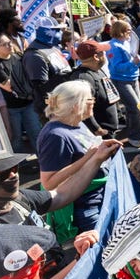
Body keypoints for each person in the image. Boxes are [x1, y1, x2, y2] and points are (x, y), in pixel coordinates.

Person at [36, 81, 115, 235]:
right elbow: (49, 183)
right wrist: (88, 158)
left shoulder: (77, 123)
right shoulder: (55, 136)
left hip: (101, 199)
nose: (93, 102)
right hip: (86, 207)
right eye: (90, 99)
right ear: (76, 105)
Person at [0, 30, 41, 154]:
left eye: (9, 42)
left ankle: (43, 160)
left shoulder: (18, 57)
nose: (10, 45)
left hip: (28, 104)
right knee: (15, 139)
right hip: (10, 109)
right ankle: (18, 164)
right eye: (4, 44)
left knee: (36, 134)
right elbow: (10, 86)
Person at [107, 19, 140, 146]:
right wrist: (134, 62)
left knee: (135, 109)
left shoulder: (126, 42)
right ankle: (135, 136)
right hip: (121, 81)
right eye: (128, 30)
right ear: (121, 31)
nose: (131, 33)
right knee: (136, 108)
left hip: (133, 78)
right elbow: (117, 68)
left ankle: (135, 134)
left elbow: (134, 61)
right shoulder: (113, 46)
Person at [72, 40, 122, 139]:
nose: (105, 55)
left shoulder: (97, 70)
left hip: (109, 132)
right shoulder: (83, 78)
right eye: (102, 52)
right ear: (96, 57)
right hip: (98, 137)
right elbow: (82, 108)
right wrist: (97, 130)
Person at [22, 20, 73, 118]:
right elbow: (41, 88)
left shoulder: (53, 47)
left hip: (65, 101)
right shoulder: (34, 55)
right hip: (54, 109)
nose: (60, 32)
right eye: (56, 30)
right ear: (45, 31)